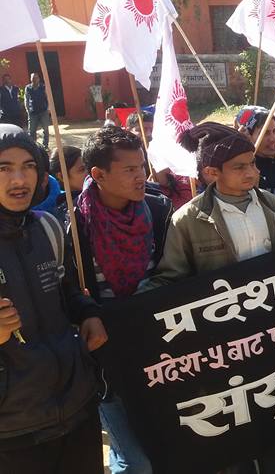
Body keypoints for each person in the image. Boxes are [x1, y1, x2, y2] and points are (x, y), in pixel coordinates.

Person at [143, 123, 275, 474]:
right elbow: (170, 279)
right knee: (235, 432)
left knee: (273, 421)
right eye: (239, 166)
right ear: (212, 173)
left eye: (252, 163)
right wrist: (130, 309)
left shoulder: (272, 205)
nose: (252, 172)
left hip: (272, 336)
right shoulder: (187, 220)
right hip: (223, 346)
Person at [0, 124, 108, 474]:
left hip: (77, 408)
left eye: (29, 166)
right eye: (4, 168)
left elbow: (64, 289)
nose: (19, 179)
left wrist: (88, 313)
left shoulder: (48, 227)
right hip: (14, 431)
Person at [69, 126, 172, 474]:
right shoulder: (73, 225)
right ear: (98, 175)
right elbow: (67, 292)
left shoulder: (158, 209)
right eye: (129, 169)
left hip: (157, 350)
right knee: (136, 462)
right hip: (106, 362)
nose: (141, 176)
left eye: (141, 166)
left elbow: (172, 271)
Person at [25, 73, 50, 149]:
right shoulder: (28, 88)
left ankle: (45, 145)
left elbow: (48, 97)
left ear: (39, 79)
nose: (34, 80)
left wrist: (48, 108)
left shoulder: (43, 87)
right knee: (31, 131)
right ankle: (34, 146)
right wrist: (28, 110)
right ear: (31, 79)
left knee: (45, 129)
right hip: (33, 112)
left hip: (43, 111)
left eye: (36, 78)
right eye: (33, 78)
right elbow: (26, 99)